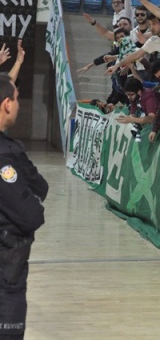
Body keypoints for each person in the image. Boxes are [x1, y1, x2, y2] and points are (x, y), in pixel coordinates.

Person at [0, 73, 48, 340]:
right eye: (17, 98)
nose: (18, 104)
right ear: (7, 104)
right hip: (7, 264)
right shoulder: (6, 154)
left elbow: (39, 186)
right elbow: (30, 214)